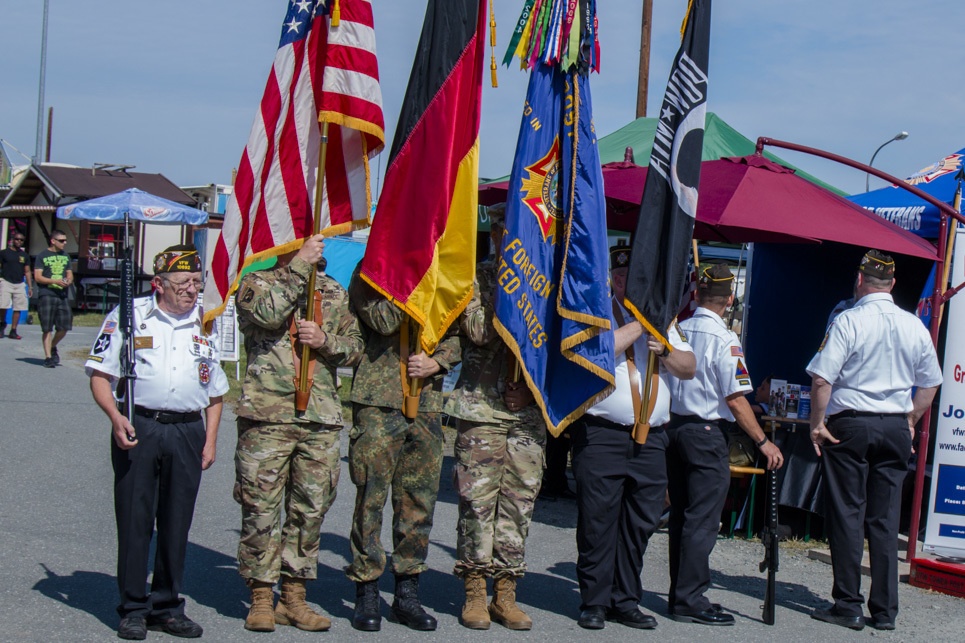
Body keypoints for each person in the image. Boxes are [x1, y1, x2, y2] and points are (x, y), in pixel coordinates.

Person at [85, 245, 228, 640]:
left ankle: (167, 605)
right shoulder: (129, 317)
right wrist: (115, 417)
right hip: (140, 426)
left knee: (176, 520)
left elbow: (216, 393)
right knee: (135, 518)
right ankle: (132, 606)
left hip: (187, 430)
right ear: (158, 284)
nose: (191, 290)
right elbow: (100, 374)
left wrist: (210, 440)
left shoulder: (207, 321)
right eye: (182, 283)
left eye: (196, 283)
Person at [806, 249, 942, 632]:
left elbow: (821, 378)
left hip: (851, 423)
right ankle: (885, 611)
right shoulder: (913, 323)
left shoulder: (849, 319)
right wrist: (911, 419)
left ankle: (847, 604)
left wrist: (817, 423)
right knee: (884, 520)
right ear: (893, 284)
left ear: (860, 279)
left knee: (848, 515)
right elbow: (931, 381)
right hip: (895, 424)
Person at [233, 235, 362, 633]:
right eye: (306, 244)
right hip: (268, 415)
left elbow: (356, 347)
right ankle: (260, 596)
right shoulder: (257, 283)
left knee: (309, 510)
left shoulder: (333, 292)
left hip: (320, 418)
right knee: (261, 509)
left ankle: (294, 596)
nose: (315, 249)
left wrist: (326, 341)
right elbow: (269, 316)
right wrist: (299, 269)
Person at [571, 245, 696, 631]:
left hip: (652, 438)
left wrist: (667, 347)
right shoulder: (597, 311)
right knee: (598, 521)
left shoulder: (664, 319)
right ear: (611, 277)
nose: (627, 283)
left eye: (634, 277)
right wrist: (641, 326)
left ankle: (625, 600)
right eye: (621, 276)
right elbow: (598, 353)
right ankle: (593, 601)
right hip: (603, 434)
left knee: (640, 523)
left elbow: (689, 368)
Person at [344, 266, 463, 632]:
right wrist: (412, 277)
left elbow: (457, 329)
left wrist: (437, 361)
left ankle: (407, 592)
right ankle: (366, 588)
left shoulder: (442, 266)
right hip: (379, 399)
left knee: (419, 501)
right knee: (371, 497)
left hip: (426, 403)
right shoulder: (373, 268)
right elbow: (382, 319)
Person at [666, 263, 784, 625]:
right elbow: (735, 399)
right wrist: (763, 441)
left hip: (673, 428)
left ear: (697, 294)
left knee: (682, 516)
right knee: (702, 520)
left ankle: (680, 593)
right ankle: (690, 597)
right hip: (704, 432)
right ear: (730, 298)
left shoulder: (680, 328)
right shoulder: (725, 339)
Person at [446, 212, 545, 631]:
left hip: (526, 416)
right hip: (482, 410)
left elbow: (551, 344)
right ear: (500, 234)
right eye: (510, 233)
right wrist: (510, 284)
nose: (515, 240)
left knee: (518, 507)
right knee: (477, 505)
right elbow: (480, 330)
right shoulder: (477, 279)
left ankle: (506, 593)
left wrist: (532, 388)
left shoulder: (544, 285)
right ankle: (474, 591)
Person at [33, 230, 73, 367]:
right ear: (53, 241)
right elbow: (37, 277)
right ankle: (48, 357)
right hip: (47, 294)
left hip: (62, 295)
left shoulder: (65, 256)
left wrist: (68, 281)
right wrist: (54, 282)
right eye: (62, 241)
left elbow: (69, 274)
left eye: (65, 240)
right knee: (47, 328)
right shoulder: (42, 256)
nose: (65, 243)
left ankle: (52, 345)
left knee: (64, 326)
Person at [0, 232, 32, 340]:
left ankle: (13, 330)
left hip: (19, 283)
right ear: (13, 240)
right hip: (6, 281)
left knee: (18, 307)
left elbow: (27, 271)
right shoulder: (4, 253)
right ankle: (2, 324)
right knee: (3, 305)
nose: (19, 241)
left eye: (21, 240)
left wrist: (30, 286)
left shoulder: (24, 255)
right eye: (17, 239)